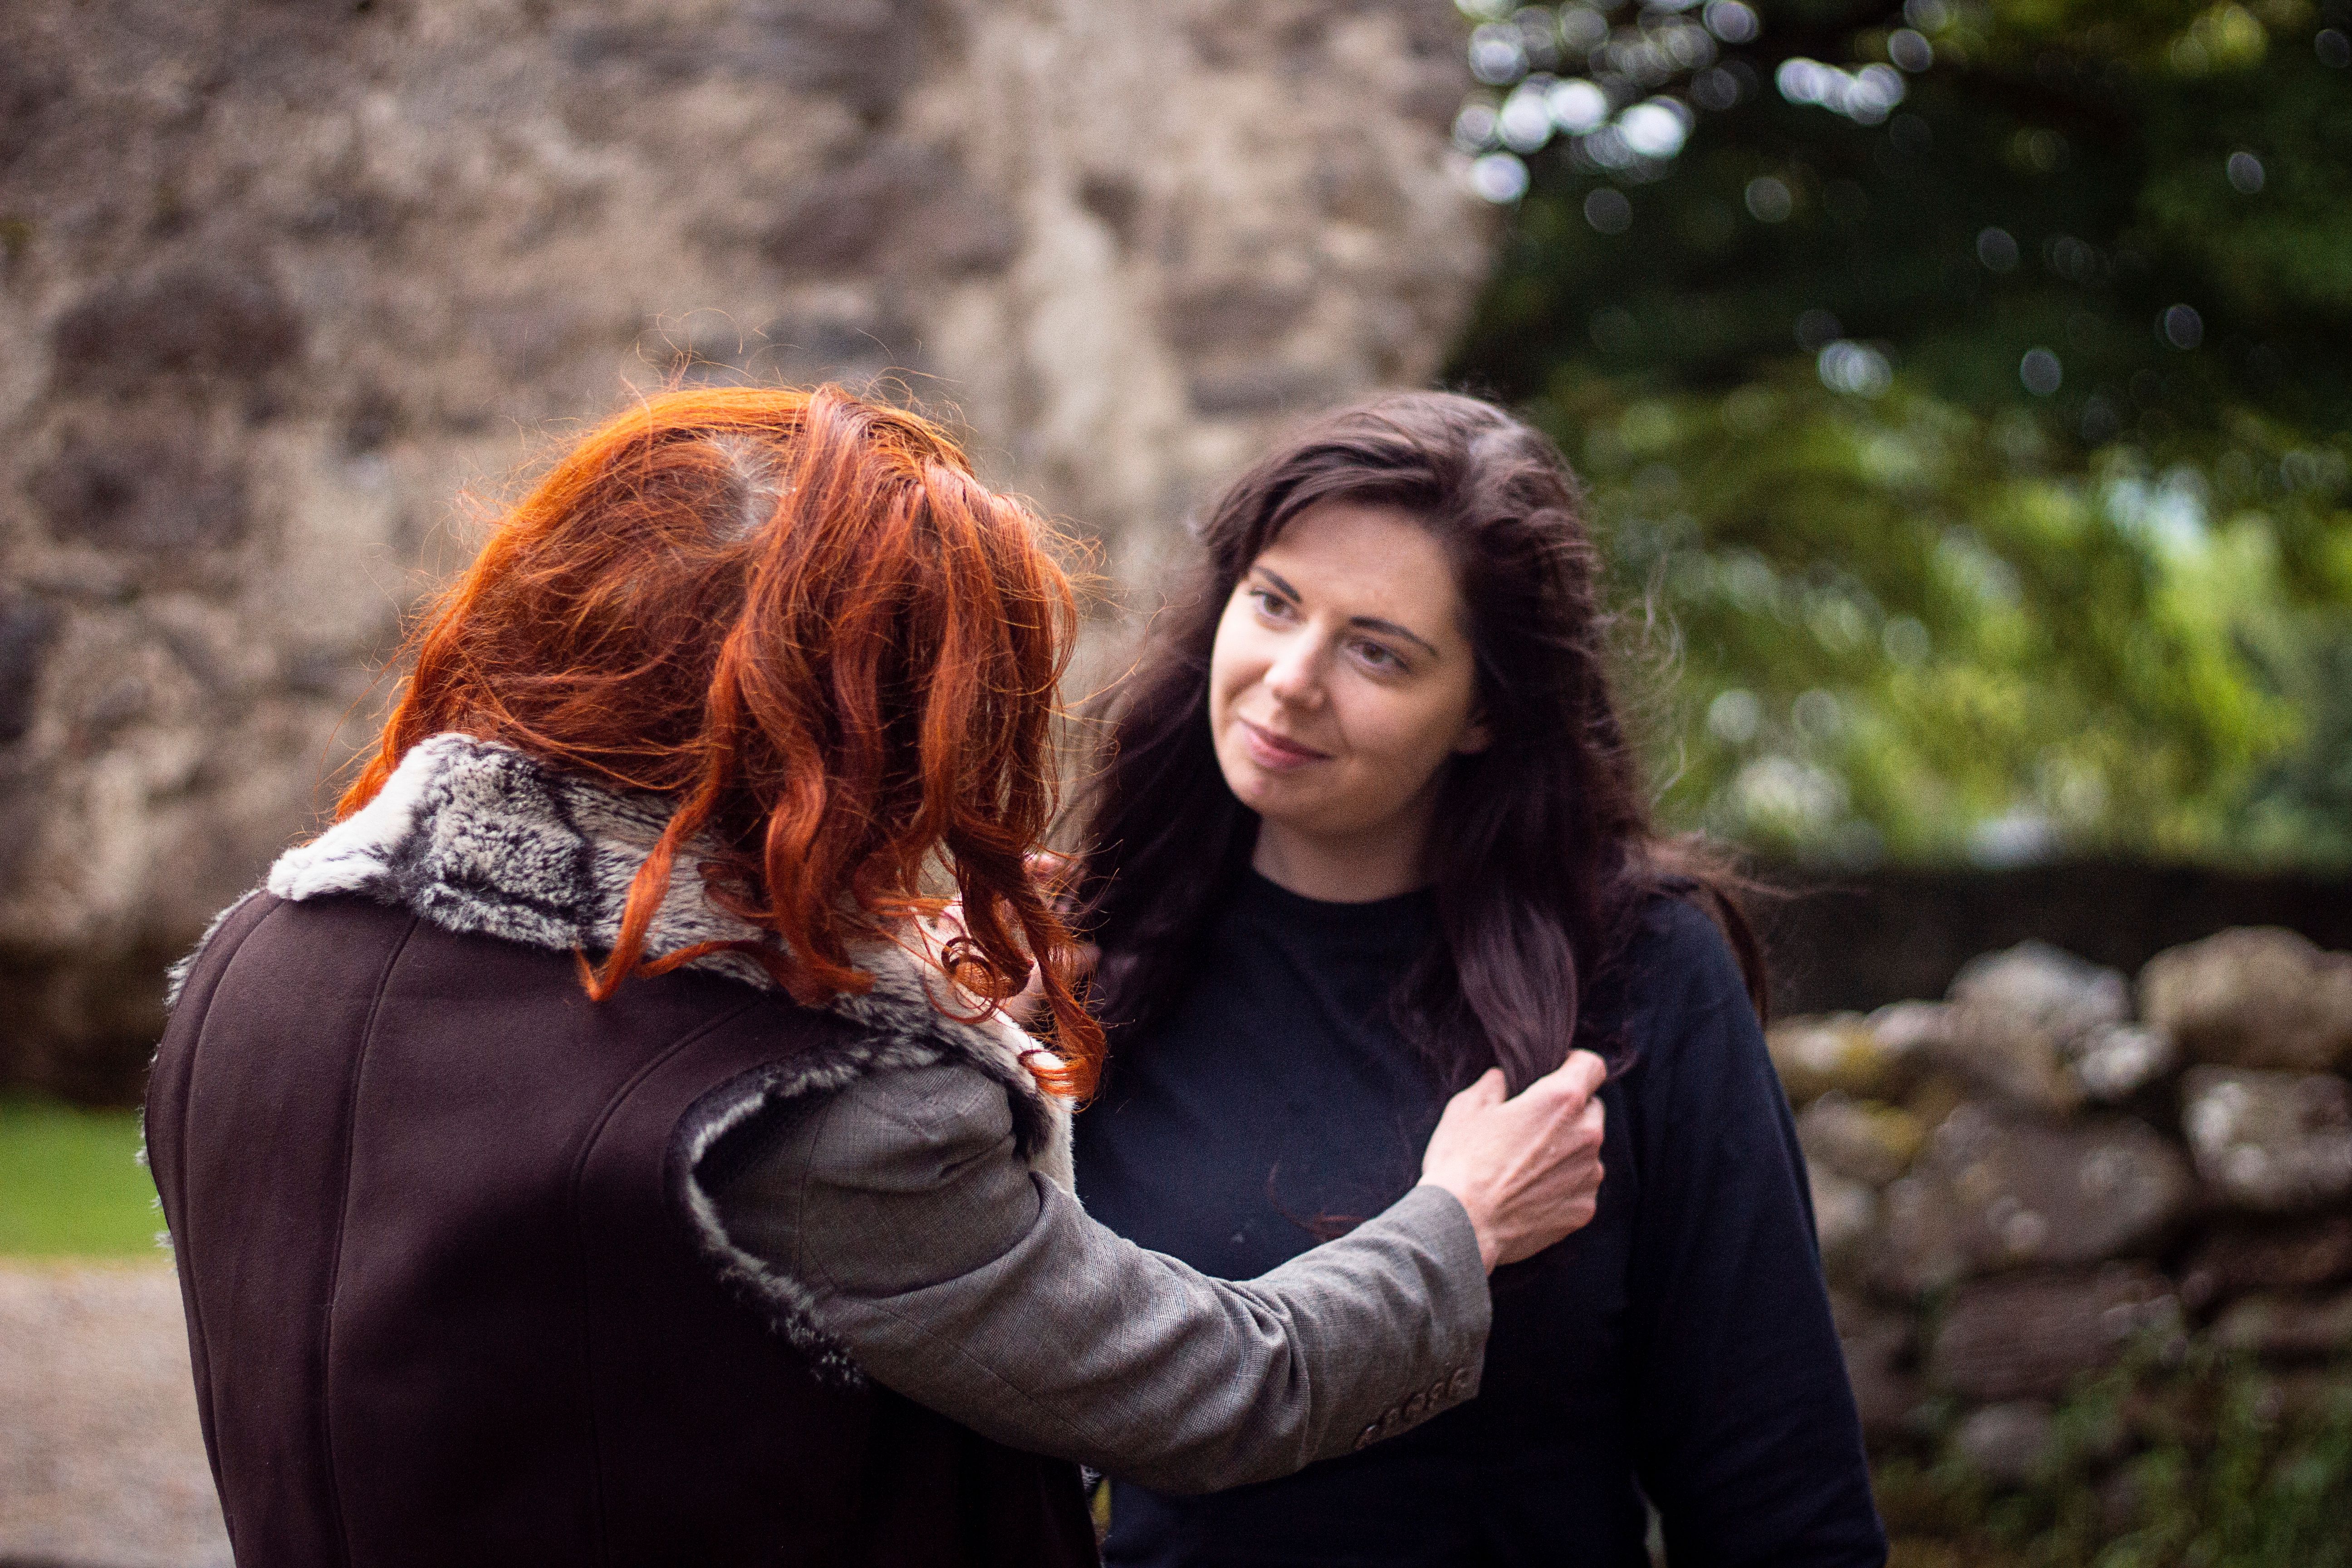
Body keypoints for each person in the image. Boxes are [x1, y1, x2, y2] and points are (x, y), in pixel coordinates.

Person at [142, 385, 1618, 1568]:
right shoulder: (816, 1113)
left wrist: (881, 978)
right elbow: (1228, 1382)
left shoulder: (250, 966)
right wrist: (1457, 1225)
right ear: (854, 735)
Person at [1070, 392, 1888, 1566]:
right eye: (1275, 602)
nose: (1292, 677)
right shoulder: (1099, 954)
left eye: (1378, 652)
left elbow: (1778, 1498)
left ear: (1486, 712)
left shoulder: (1639, 972)